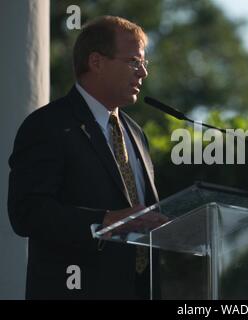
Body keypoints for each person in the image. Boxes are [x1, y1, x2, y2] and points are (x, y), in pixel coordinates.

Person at [7, 16, 168, 299]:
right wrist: (105, 220)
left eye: (144, 63)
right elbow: (27, 213)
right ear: (96, 62)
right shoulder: (48, 125)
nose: (143, 72)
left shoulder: (136, 134)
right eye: (133, 61)